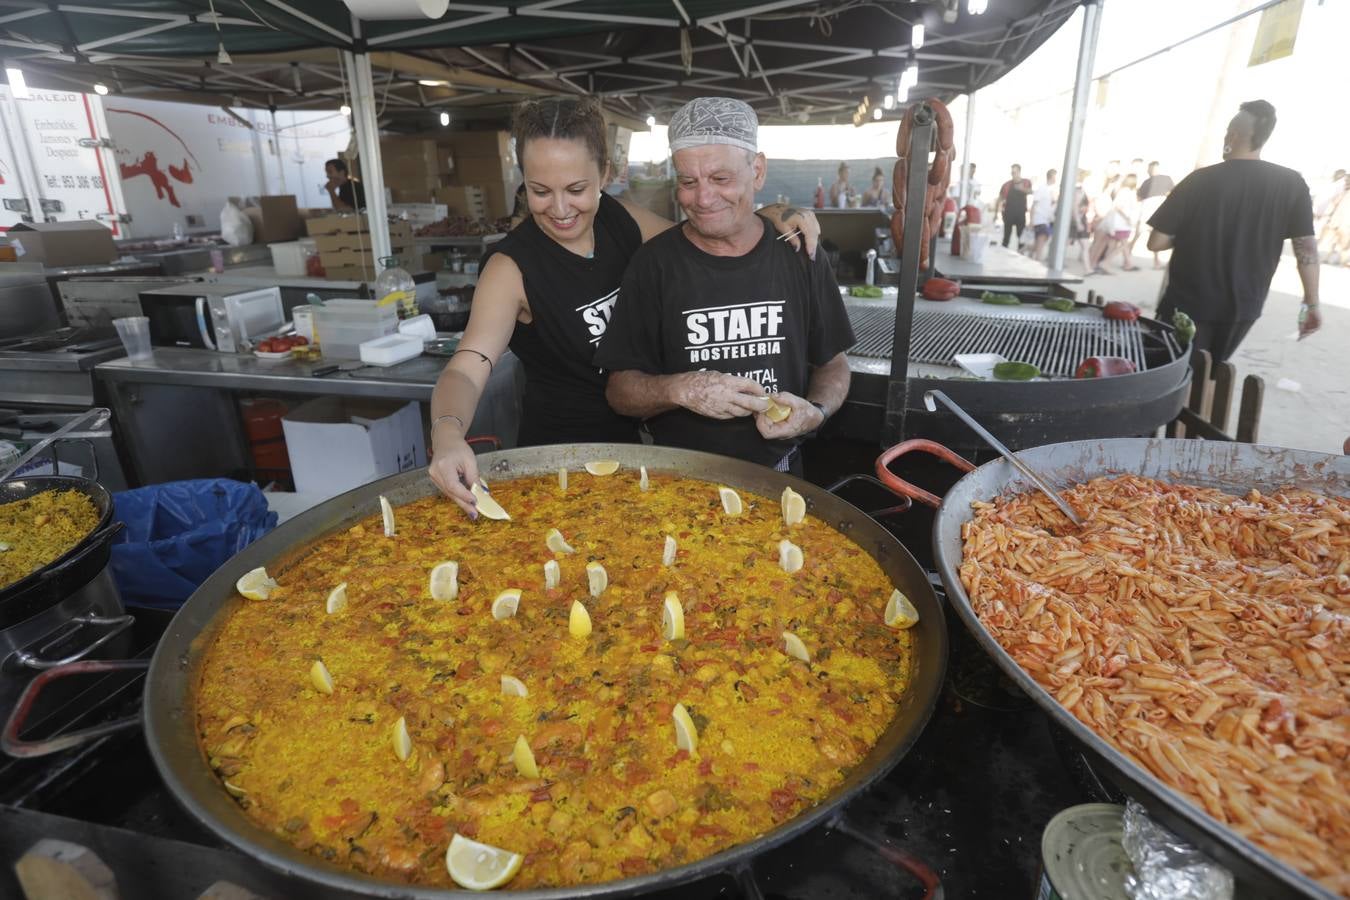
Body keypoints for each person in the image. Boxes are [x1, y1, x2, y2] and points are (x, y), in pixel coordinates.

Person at [427, 97, 817, 514]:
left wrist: (768, 214)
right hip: (563, 462)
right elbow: (468, 367)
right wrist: (447, 435)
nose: (560, 209)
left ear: (606, 175)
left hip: (639, 451)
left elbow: (702, 239)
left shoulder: (619, 219)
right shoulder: (510, 267)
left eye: (577, 189)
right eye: (540, 191)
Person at [597, 97, 855, 475]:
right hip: (679, 479)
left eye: (721, 179)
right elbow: (619, 391)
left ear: (758, 170)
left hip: (780, 474)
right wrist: (681, 389)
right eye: (688, 182)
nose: (702, 198)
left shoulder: (799, 253)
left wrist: (816, 411)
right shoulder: (654, 264)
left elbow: (833, 363)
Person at [1147, 100, 1321, 362]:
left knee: (1170, 372)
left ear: (1233, 135)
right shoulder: (1292, 183)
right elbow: (1306, 249)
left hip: (1187, 303)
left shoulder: (1200, 180)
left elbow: (1156, 242)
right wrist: (1312, 303)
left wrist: (1194, 233)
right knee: (1213, 371)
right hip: (1244, 308)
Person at [1134, 161, 1175, 269]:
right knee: (1140, 233)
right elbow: (1139, 197)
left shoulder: (1165, 179)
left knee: (1152, 235)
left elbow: (1172, 193)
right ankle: (1128, 255)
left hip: (1156, 208)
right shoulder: (1147, 181)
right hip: (1150, 208)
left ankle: (1156, 262)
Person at [996, 164, 1031, 248]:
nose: (1013, 174)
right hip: (1008, 213)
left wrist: (1022, 189)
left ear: (1019, 172)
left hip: (1020, 213)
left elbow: (1031, 191)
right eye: (1012, 172)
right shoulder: (1007, 185)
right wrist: (997, 213)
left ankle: (1021, 255)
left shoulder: (1026, 182)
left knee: (1021, 238)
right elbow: (1000, 199)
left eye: (1015, 172)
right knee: (1006, 237)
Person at [1029, 168, 1057, 260]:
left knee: (1037, 244)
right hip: (1039, 220)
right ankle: (1037, 263)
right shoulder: (1042, 189)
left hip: (1046, 221)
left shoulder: (1051, 191)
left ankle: (1021, 253)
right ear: (1052, 176)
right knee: (1040, 245)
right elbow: (1034, 205)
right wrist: (1031, 221)